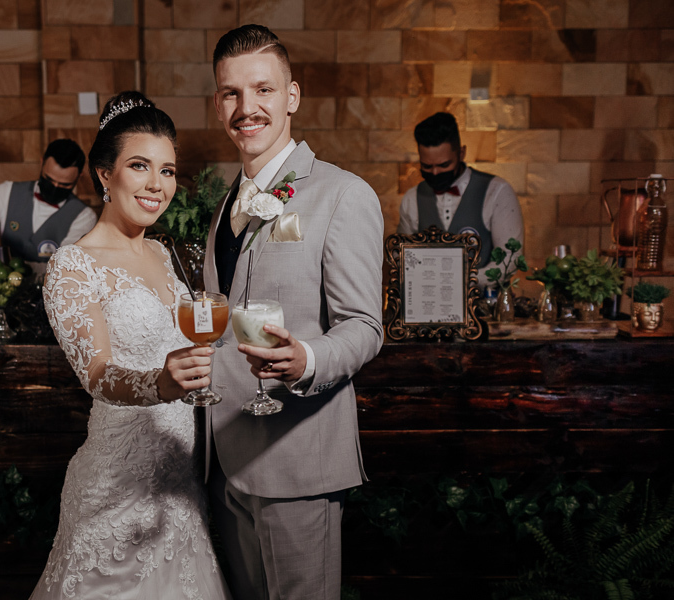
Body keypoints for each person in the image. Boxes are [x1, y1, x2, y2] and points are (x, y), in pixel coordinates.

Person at [203, 25, 384, 600]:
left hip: (297, 456)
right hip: (223, 457)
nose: (246, 108)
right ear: (218, 103)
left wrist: (307, 358)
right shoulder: (225, 204)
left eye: (262, 90)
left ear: (292, 97)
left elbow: (365, 326)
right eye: (231, 93)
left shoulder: (342, 195)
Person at [30, 92, 231, 600]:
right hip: (117, 487)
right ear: (104, 174)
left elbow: (194, 334)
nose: (156, 185)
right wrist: (158, 383)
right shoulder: (75, 265)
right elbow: (95, 373)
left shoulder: (165, 255)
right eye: (139, 166)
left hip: (181, 482)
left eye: (167, 171)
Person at [398, 112, 524, 288]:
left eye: (444, 165)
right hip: (428, 308)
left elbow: (510, 260)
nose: (435, 173)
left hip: (484, 308)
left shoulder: (497, 191)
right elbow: (403, 259)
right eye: (427, 166)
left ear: (462, 153)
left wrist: (461, 281)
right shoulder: (412, 198)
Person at [0, 139, 97, 269]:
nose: (54, 187)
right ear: (42, 164)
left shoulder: (84, 217)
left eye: (64, 185)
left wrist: (4, 266)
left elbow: (64, 269)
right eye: (49, 180)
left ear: (79, 176)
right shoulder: (7, 192)